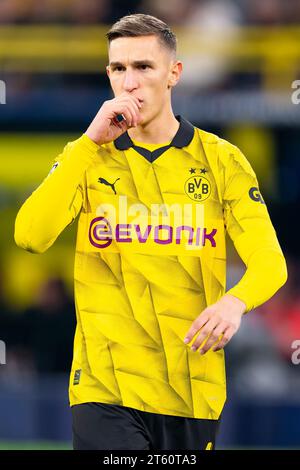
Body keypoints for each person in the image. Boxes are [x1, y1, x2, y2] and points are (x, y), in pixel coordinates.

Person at [14, 13, 288, 451]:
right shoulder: (86, 157)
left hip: (191, 389)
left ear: (173, 73)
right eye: (118, 69)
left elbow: (270, 263)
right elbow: (30, 235)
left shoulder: (222, 161)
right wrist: (88, 144)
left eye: (143, 67)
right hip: (105, 387)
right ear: (108, 75)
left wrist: (235, 304)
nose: (130, 81)